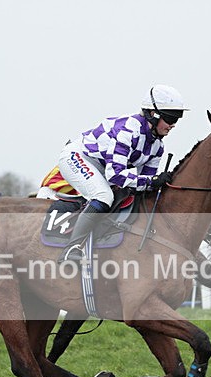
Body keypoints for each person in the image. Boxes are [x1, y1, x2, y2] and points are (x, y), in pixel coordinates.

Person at [56, 84, 188, 263]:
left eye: (177, 119)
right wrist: (151, 181)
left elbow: (144, 185)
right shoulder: (128, 131)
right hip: (78, 157)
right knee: (103, 196)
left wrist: (156, 183)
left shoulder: (157, 147)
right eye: (170, 118)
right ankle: (72, 248)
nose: (173, 125)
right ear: (152, 114)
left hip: (103, 167)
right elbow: (116, 175)